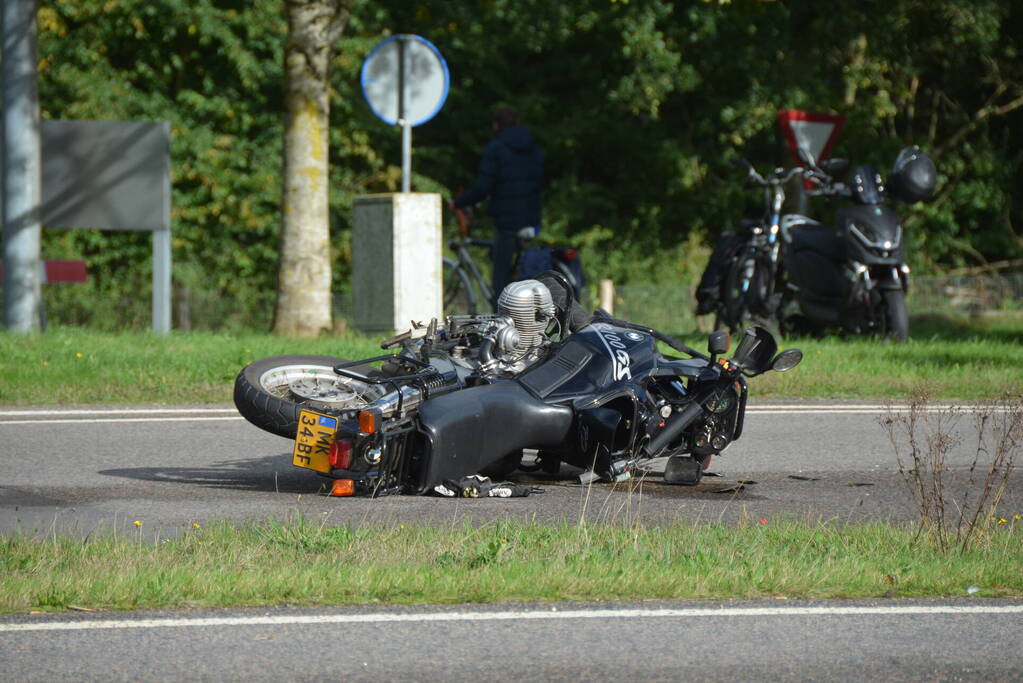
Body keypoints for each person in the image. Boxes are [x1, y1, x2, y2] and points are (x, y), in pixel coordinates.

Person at [452, 106, 544, 308]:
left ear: (495, 125)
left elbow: (483, 187)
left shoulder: (496, 148)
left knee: (500, 282)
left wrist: (460, 202)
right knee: (519, 269)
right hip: (531, 219)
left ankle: (503, 325)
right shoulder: (533, 148)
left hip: (508, 221)